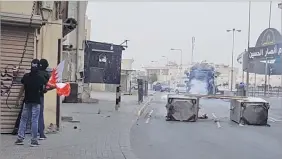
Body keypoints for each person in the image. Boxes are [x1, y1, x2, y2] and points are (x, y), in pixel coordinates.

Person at [15, 59, 48, 147]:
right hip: (36, 102)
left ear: (31, 66)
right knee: (34, 120)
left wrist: (18, 99)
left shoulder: (26, 76)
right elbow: (44, 90)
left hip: (27, 101)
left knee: (23, 120)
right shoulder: (40, 78)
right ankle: (34, 140)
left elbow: (22, 88)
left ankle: (20, 139)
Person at [38, 59, 52, 140]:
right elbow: (47, 87)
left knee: (25, 116)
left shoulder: (33, 73)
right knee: (40, 115)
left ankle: (19, 132)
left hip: (28, 96)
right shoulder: (45, 74)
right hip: (39, 96)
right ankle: (41, 133)